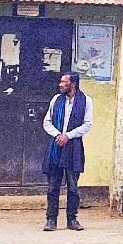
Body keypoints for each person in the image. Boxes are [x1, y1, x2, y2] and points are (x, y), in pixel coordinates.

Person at [41, 71, 93, 232]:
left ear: (73, 84)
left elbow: (87, 124)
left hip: (73, 147)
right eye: (61, 82)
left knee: (72, 186)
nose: (61, 84)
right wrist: (58, 135)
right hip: (56, 145)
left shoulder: (86, 101)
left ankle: (72, 219)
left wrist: (68, 136)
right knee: (53, 186)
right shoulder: (56, 100)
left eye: (64, 82)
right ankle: (51, 220)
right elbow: (47, 121)